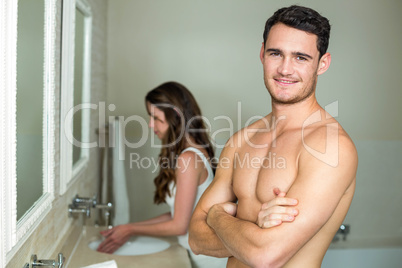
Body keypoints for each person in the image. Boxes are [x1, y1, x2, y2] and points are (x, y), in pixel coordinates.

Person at [188, 5, 358, 268]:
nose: (285, 69)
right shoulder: (241, 141)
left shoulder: (330, 146)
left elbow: (265, 256)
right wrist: (256, 226)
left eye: (301, 57)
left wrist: (217, 217)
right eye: (276, 53)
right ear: (262, 54)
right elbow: (196, 239)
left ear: (322, 64)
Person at [97, 81, 227, 267]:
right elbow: (178, 214)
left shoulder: (188, 159)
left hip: (208, 261)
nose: (150, 125)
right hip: (198, 254)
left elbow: (179, 225)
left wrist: (130, 229)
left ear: (174, 115)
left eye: (155, 118)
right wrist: (128, 228)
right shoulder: (193, 152)